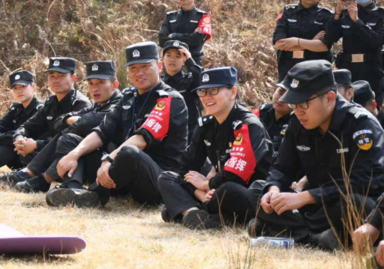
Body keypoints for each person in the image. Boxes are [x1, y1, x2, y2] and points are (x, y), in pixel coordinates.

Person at [251, 60, 384, 250]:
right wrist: (273, 190)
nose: (298, 111)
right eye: (294, 105)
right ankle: (316, 238)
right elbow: (282, 166)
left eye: (304, 104)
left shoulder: (360, 124)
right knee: (257, 190)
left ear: (330, 98)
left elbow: (368, 180)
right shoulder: (298, 121)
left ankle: (288, 231)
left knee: (355, 204)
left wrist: (307, 197)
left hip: (343, 203)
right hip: (315, 207)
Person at [48, 42, 188, 208]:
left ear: (158, 66)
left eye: (145, 66)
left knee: (130, 152)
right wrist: (74, 154)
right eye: (133, 68)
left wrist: (108, 159)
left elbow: (141, 139)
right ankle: (75, 191)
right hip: (118, 174)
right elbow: (102, 132)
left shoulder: (170, 99)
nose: (139, 73)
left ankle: (95, 195)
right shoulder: (129, 96)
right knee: (70, 140)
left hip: (154, 179)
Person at [158, 67, 273, 229]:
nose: (207, 97)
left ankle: (183, 209)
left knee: (228, 189)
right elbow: (186, 166)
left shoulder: (248, 124)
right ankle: (193, 213)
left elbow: (236, 176)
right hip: (213, 191)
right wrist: (201, 192)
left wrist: (207, 184)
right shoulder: (206, 124)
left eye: (213, 91)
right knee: (167, 177)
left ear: (233, 93)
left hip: (247, 193)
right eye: (203, 92)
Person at [12, 61, 122, 194]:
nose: (94, 88)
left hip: (111, 164)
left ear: (115, 85)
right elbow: (59, 122)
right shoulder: (97, 105)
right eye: (91, 83)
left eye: (100, 82)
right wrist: (71, 120)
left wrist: (73, 121)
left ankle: (40, 177)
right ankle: (71, 186)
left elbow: (86, 122)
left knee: (68, 139)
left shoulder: (119, 104)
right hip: (91, 160)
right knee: (67, 138)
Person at [0, 57, 91, 187]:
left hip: (72, 156)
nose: (56, 80)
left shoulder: (81, 104)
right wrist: (20, 138)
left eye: (61, 75)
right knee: (25, 151)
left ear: (73, 78)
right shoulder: (50, 103)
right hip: (48, 154)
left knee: (60, 144)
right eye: (52, 75)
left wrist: (37, 144)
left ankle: (30, 175)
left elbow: (70, 141)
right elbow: (27, 125)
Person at [322, 0, 384, 106]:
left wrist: (356, 20)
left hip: (371, 70)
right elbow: (329, 38)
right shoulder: (344, 14)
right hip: (348, 71)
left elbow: (377, 41)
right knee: (345, 109)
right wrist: (338, 12)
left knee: (372, 110)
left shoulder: (380, 15)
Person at [272, 0, 334, 82]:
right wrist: (311, 43)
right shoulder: (288, 12)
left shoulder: (326, 16)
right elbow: (279, 43)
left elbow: (324, 46)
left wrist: (295, 42)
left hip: (316, 72)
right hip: (289, 69)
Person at [158, 0, 212, 65]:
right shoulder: (170, 17)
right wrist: (189, 36)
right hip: (172, 64)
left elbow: (197, 40)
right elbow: (161, 40)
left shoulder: (203, 16)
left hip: (193, 63)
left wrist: (174, 35)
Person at [161, 40, 203, 142]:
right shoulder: (158, 83)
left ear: (184, 60)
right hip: (163, 135)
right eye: (169, 55)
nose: (172, 59)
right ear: (162, 59)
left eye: (178, 56)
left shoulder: (190, 80)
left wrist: (190, 61)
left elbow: (203, 79)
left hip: (189, 135)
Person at [252, 85, 292, 157]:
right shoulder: (259, 113)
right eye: (280, 93)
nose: (281, 99)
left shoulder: (297, 122)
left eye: (288, 96)